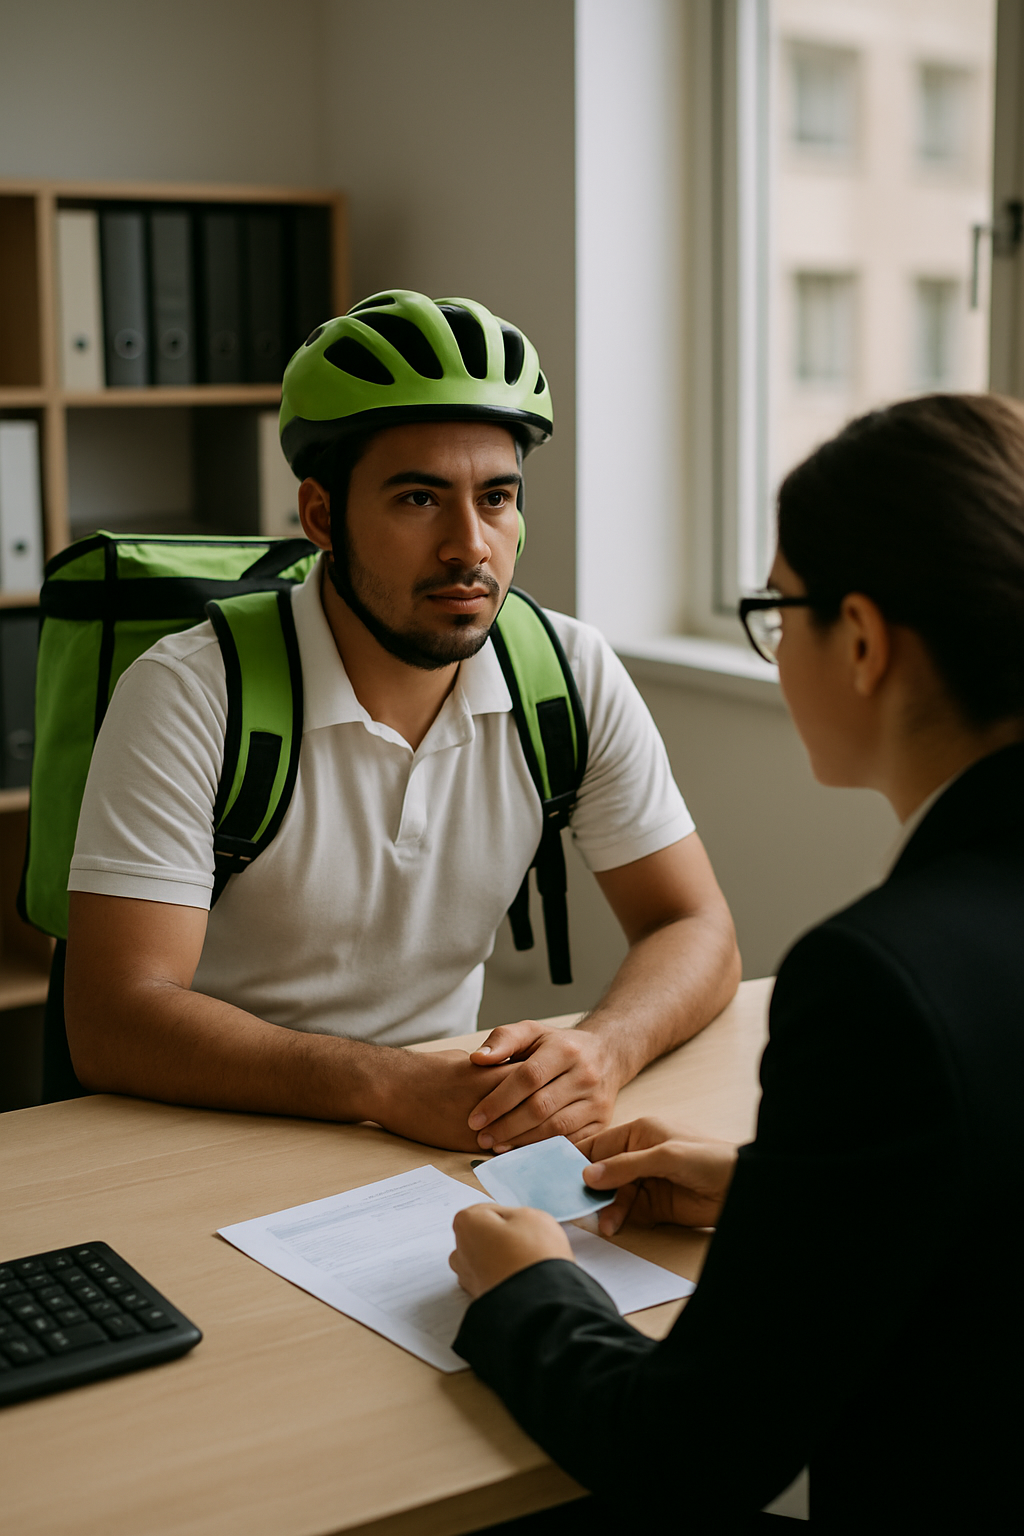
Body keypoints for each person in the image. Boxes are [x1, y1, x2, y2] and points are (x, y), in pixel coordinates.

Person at [450, 392, 1024, 1529]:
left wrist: (527, 1292)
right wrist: (775, 1194)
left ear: (861, 642)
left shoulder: (880, 982)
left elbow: (687, 1454)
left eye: (778, 608)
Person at [63, 290, 740, 1154]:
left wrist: (603, 1051)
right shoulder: (192, 691)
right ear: (321, 518)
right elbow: (116, 1019)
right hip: (207, 1130)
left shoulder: (567, 673)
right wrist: (382, 1082)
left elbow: (696, 927)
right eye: (419, 499)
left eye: (496, 498)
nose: (470, 546)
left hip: (436, 1127)